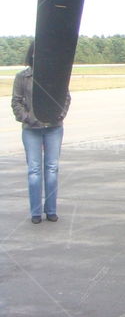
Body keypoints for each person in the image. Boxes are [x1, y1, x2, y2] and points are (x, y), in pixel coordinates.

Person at [11, 42, 69, 224]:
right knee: (34, 170)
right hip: (31, 130)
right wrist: (28, 118)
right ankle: (36, 212)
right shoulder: (22, 77)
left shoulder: (56, 75)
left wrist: (59, 114)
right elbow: (16, 102)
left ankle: (51, 210)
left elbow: (65, 97)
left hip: (53, 128)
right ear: (32, 55)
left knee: (52, 168)